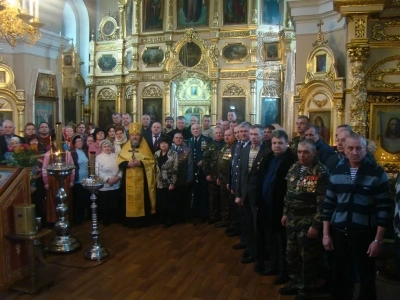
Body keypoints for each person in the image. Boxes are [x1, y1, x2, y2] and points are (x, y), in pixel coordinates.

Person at [322, 134, 391, 300]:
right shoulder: (337, 171)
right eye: (350, 148)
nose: (354, 152)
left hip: (365, 233)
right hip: (338, 232)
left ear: (365, 150)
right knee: (339, 277)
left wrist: (378, 240)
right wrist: (326, 234)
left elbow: (384, 209)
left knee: (366, 277)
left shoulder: (376, 173)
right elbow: (329, 204)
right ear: (344, 150)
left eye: (358, 148)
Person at [279, 139, 329, 299]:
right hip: (292, 219)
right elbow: (288, 194)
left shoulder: (321, 171)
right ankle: (294, 283)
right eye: (299, 152)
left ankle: (305, 289)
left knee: (308, 258)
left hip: (308, 221)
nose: (302, 155)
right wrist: (285, 213)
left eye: (306, 152)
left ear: (314, 152)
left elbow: (323, 202)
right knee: (291, 255)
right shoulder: (294, 168)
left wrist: (315, 225)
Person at [255, 130, 297, 286]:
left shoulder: (292, 161)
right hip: (266, 205)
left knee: (282, 241)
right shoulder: (268, 158)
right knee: (270, 238)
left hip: (281, 208)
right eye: (274, 143)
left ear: (287, 143)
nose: (277, 146)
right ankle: (273, 265)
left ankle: (284, 271)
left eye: (280, 143)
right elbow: (261, 180)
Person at [235, 125, 269, 264]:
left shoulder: (267, 152)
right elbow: (241, 174)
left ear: (262, 135)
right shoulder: (244, 150)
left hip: (259, 195)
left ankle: (259, 253)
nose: (253, 137)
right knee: (247, 223)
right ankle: (250, 250)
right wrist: (238, 194)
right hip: (245, 194)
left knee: (258, 226)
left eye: (256, 134)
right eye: (251, 134)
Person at [117, 122, 156, 228]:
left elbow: (151, 161)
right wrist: (127, 163)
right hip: (127, 179)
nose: (135, 137)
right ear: (129, 136)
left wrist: (141, 163)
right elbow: (119, 160)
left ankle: (142, 220)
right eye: (132, 135)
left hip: (142, 178)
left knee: (143, 198)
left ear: (140, 136)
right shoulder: (125, 148)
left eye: (137, 135)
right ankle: (129, 221)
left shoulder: (145, 147)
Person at [42, 141, 75, 225]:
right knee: (53, 200)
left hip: (65, 179)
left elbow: (72, 167)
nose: (58, 143)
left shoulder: (67, 153)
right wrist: (46, 182)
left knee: (65, 199)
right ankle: (53, 220)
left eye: (60, 141)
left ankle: (65, 219)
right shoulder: (48, 154)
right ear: (53, 143)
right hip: (52, 180)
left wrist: (71, 180)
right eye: (56, 141)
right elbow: (44, 168)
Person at [188, 123, 211, 222]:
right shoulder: (189, 141)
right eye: (193, 129)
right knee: (193, 191)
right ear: (191, 131)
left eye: (197, 129)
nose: (196, 130)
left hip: (203, 169)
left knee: (203, 192)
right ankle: (194, 212)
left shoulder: (207, 140)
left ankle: (203, 214)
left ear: (201, 130)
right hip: (192, 169)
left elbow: (210, 154)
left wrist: (203, 161)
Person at [96, 139, 122, 226]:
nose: (107, 148)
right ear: (101, 148)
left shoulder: (116, 156)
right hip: (105, 185)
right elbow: (98, 171)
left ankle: (115, 219)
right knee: (105, 204)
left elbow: (121, 168)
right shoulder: (98, 157)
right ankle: (106, 220)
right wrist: (108, 179)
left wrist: (118, 178)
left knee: (115, 203)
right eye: (105, 146)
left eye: (108, 146)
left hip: (116, 183)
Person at [155, 137, 178, 228]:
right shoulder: (156, 154)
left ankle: (170, 219)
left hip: (169, 181)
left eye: (165, 143)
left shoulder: (174, 154)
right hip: (159, 181)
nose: (163, 145)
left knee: (169, 202)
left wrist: (172, 183)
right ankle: (162, 218)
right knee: (161, 202)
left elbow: (175, 169)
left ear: (169, 145)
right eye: (161, 143)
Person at [203, 126, 225, 224]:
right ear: (213, 134)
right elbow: (205, 160)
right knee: (213, 198)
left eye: (220, 133)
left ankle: (224, 217)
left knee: (224, 198)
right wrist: (207, 174)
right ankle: (213, 216)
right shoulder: (209, 145)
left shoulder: (227, 145)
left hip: (224, 177)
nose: (219, 134)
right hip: (213, 176)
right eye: (217, 133)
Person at [215, 128, 236, 228]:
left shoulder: (235, 147)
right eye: (225, 135)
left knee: (229, 201)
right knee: (223, 200)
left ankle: (230, 221)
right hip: (222, 178)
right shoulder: (224, 147)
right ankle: (225, 219)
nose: (226, 137)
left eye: (229, 135)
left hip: (229, 179)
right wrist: (219, 176)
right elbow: (220, 163)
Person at [172, 132, 193, 223]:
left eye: (180, 138)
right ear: (173, 139)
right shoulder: (169, 149)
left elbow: (190, 165)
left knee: (183, 199)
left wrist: (189, 178)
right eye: (176, 138)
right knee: (173, 199)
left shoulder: (187, 150)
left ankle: (183, 217)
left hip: (183, 178)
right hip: (171, 179)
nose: (178, 139)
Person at [70, 134, 91, 225]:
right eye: (77, 141)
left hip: (86, 179)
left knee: (85, 199)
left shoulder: (85, 151)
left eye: (81, 141)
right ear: (74, 143)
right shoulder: (72, 153)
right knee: (78, 200)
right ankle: (77, 219)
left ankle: (84, 217)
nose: (80, 143)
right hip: (77, 179)